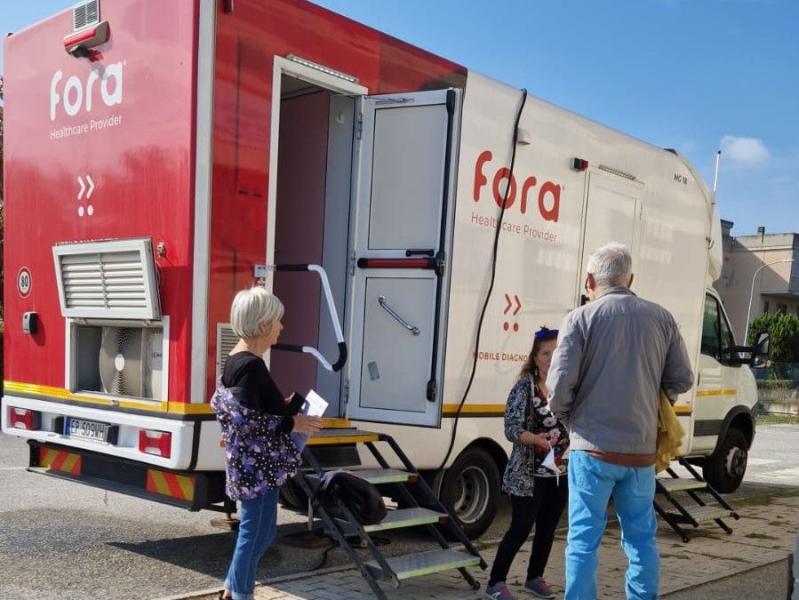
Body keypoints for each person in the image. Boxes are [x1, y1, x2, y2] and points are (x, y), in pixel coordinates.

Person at [547, 242, 694, 600]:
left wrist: (569, 420)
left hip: (592, 450)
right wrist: (651, 403)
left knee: (583, 541)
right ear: (630, 279)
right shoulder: (661, 317)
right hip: (641, 453)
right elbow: (682, 379)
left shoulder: (580, 318)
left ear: (589, 279)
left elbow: (558, 386)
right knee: (642, 540)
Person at [212, 286, 322, 600]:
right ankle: (241, 594)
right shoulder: (251, 366)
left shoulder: (235, 360)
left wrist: (282, 406)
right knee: (256, 535)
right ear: (263, 326)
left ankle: (232, 588)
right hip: (258, 469)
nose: (281, 328)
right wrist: (293, 422)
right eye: (277, 321)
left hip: (248, 466)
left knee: (258, 533)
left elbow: (246, 411)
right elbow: (246, 421)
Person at [485, 327, 570, 600]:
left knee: (548, 529)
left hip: (559, 471)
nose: (551, 357)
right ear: (535, 357)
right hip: (528, 474)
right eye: (546, 353)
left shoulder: (565, 385)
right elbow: (511, 428)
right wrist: (534, 438)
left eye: (556, 352)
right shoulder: (525, 387)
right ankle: (495, 582)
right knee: (521, 528)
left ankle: (535, 577)